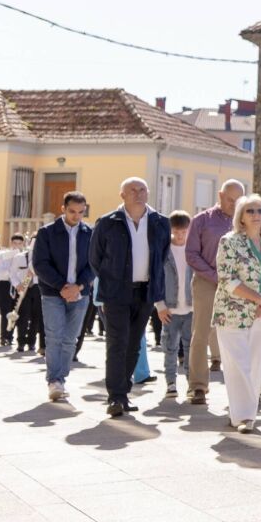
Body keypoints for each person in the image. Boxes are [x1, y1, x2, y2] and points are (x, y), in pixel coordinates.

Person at [91, 177, 175, 418]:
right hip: (116, 292)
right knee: (117, 343)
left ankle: (123, 392)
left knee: (134, 344)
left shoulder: (160, 222)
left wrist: (157, 294)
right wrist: (111, 282)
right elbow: (95, 259)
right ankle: (116, 397)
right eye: (132, 190)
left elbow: (161, 257)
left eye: (142, 190)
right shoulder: (108, 222)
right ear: (122, 195)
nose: (138, 194)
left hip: (145, 292)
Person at [212, 194, 261, 433]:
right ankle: (242, 416)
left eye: (260, 210)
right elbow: (227, 279)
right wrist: (260, 299)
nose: (256, 215)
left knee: (254, 364)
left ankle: (247, 414)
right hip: (233, 311)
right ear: (241, 217)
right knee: (237, 364)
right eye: (250, 211)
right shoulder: (229, 242)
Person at [185, 181, 244, 404]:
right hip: (207, 283)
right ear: (220, 195)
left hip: (240, 285)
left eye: (239, 200)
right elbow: (191, 254)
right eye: (230, 199)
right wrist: (215, 276)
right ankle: (198, 386)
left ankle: (252, 385)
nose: (234, 204)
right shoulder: (201, 220)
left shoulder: (246, 221)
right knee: (201, 333)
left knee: (242, 335)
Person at [159, 211, 195, 396]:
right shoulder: (164, 251)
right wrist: (160, 305)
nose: (180, 236)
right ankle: (171, 382)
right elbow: (156, 279)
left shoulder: (193, 250)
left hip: (191, 308)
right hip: (170, 309)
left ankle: (191, 382)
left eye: (184, 232)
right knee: (170, 347)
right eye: (176, 232)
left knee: (191, 348)